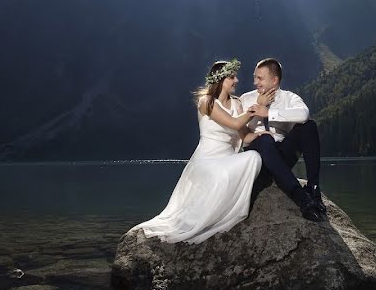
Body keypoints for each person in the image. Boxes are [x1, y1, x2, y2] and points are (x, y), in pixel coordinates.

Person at [127, 59, 272, 244]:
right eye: (231, 77)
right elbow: (235, 123)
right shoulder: (206, 102)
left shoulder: (237, 104)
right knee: (221, 175)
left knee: (253, 157)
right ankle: (211, 217)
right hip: (207, 159)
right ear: (220, 79)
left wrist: (263, 135)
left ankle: (230, 211)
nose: (236, 80)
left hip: (227, 157)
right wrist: (256, 107)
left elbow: (244, 136)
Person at [240, 58, 326, 222]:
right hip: (259, 158)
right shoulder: (246, 99)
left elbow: (303, 114)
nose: (255, 82)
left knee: (309, 126)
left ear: (274, 80)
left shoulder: (289, 98)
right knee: (265, 139)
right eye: (254, 77)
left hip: (281, 155)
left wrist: (268, 114)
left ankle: (314, 188)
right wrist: (256, 109)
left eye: (260, 78)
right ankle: (301, 197)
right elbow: (240, 132)